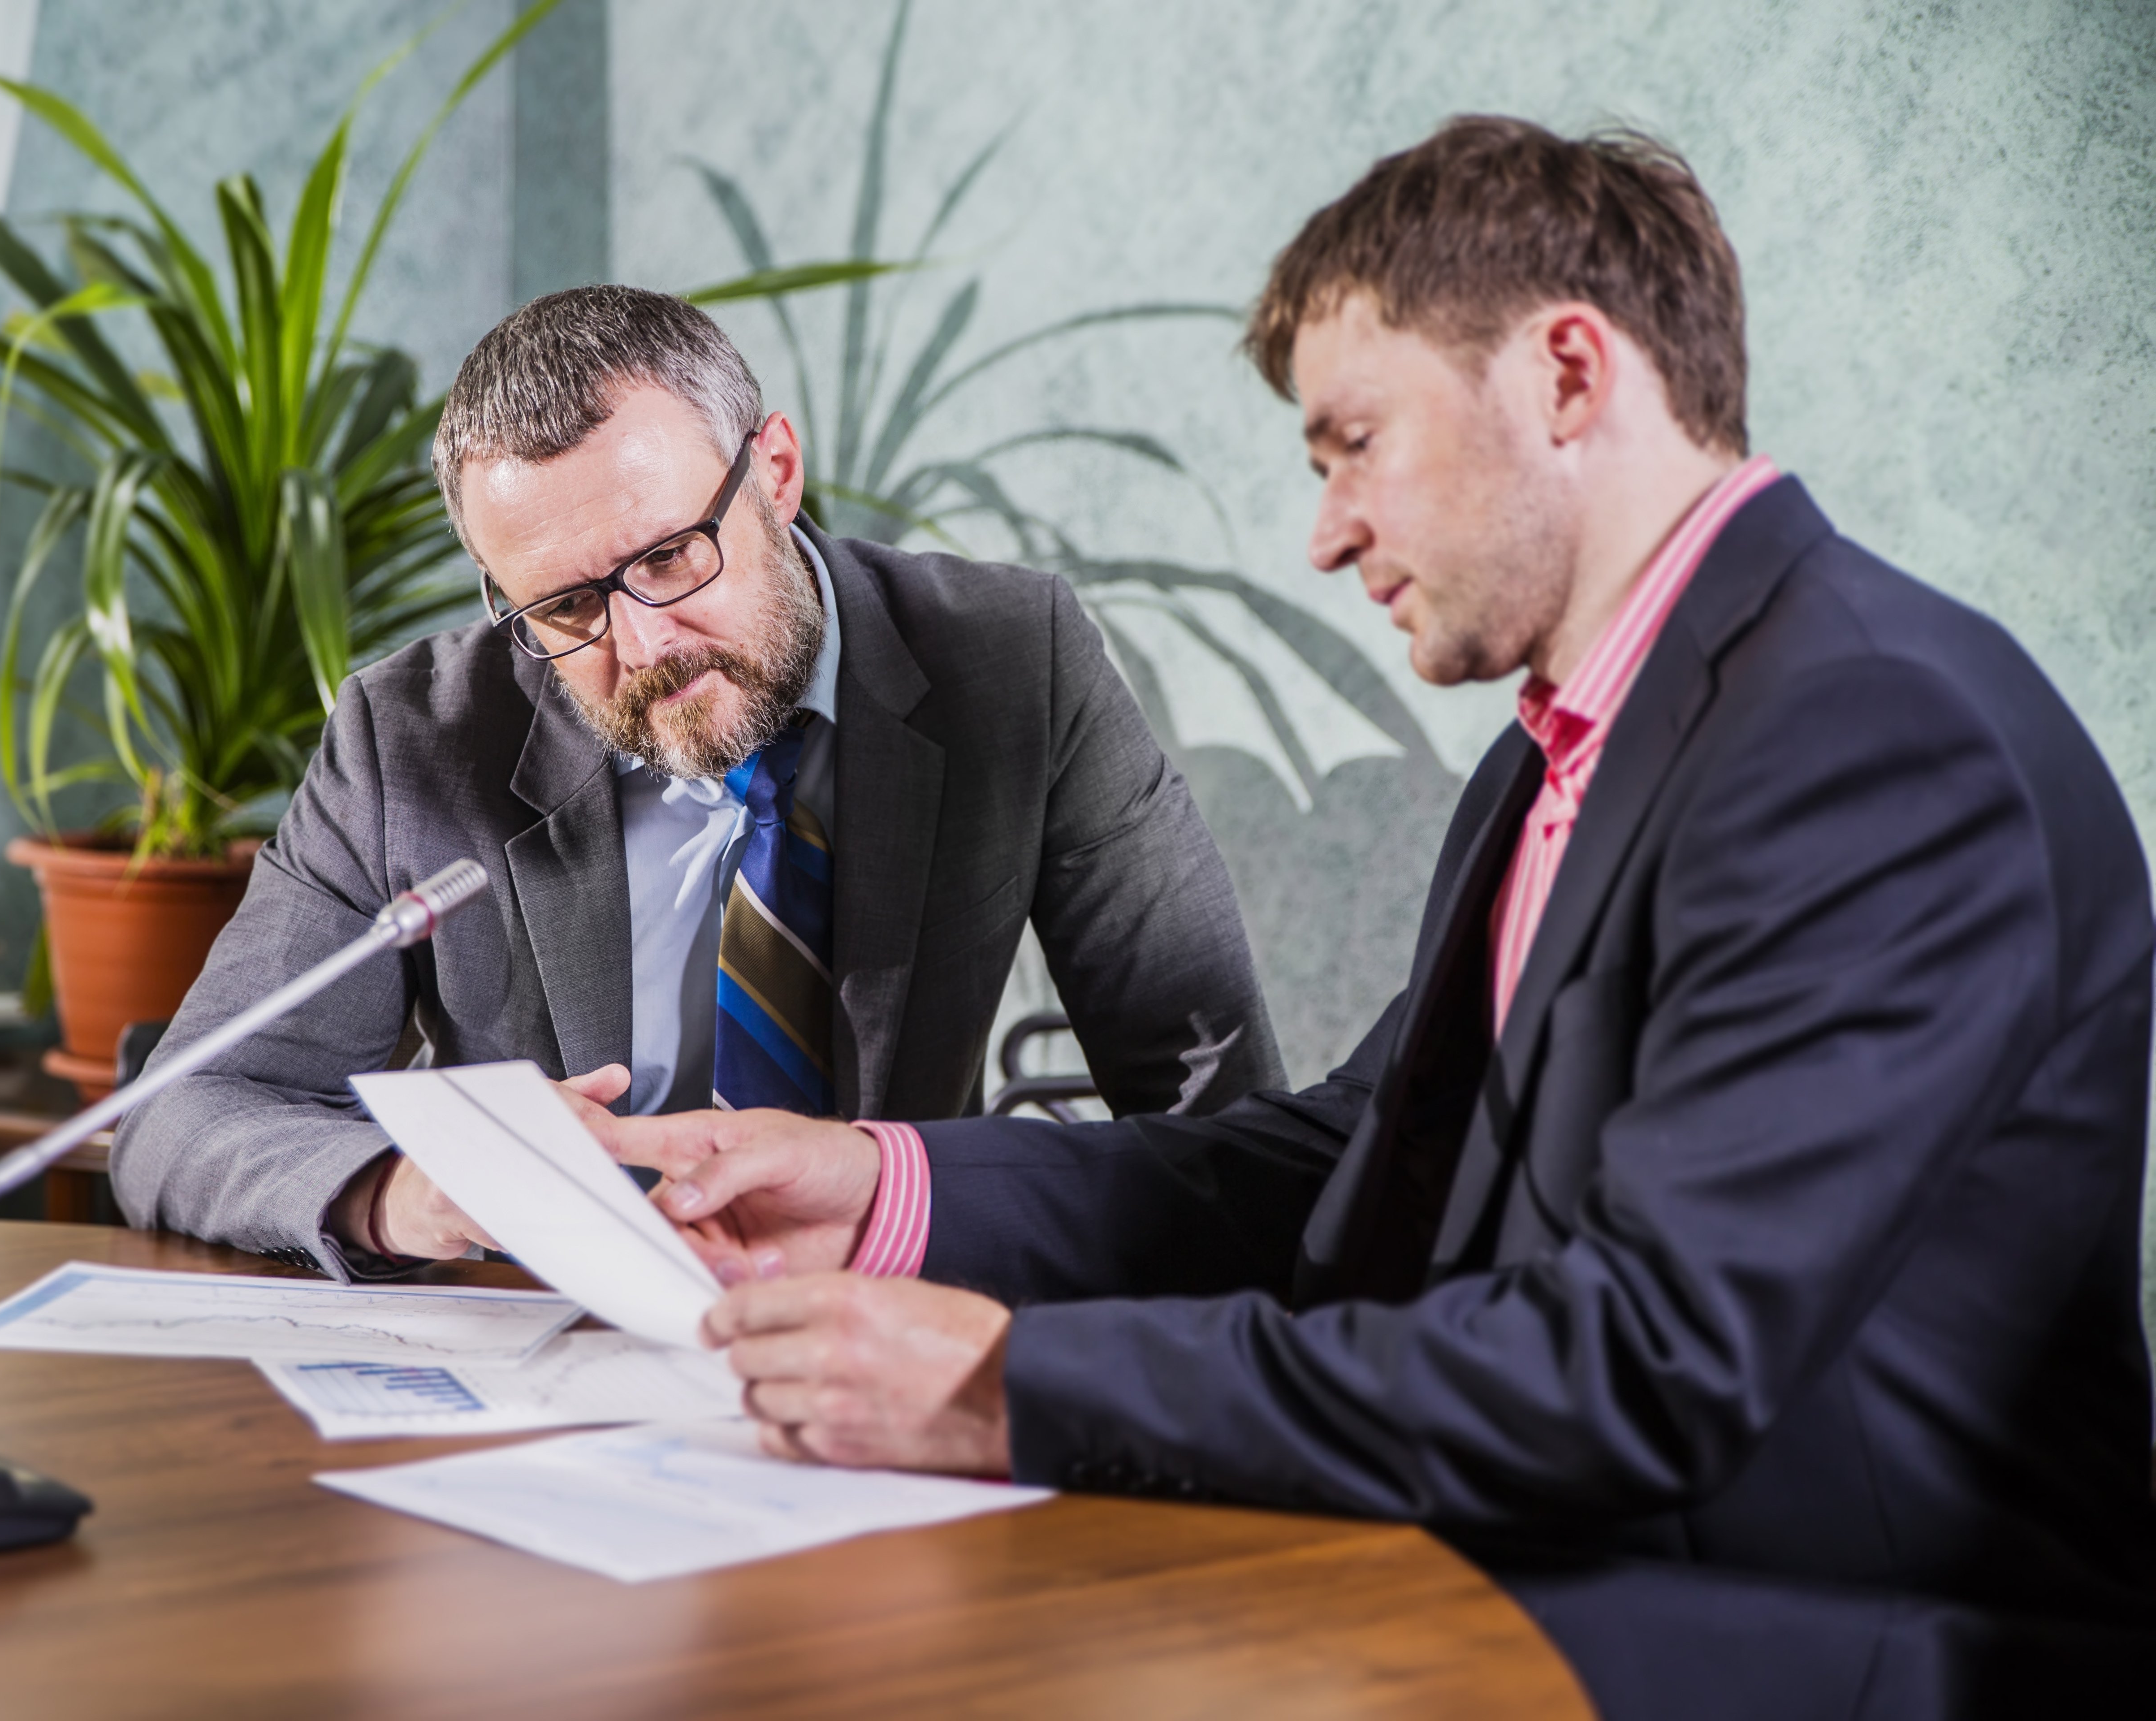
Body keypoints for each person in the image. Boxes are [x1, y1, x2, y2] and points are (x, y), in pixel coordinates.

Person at [605, 120, 2156, 1716]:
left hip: (1837, 1632)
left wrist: (1010, 1385)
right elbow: (1344, 1159)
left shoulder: (1871, 735)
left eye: (1354, 442)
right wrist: (887, 1182)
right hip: (1568, 1551)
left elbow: (1647, 1361)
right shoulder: (1563, 749)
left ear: (1568, 375)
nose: (1327, 532)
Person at [111, 285, 1282, 1280]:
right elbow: (181, 1117)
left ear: (774, 469)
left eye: (671, 555)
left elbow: (1214, 1107)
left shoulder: (1010, 663)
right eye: (566, 605)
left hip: (884, 1318)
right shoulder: (411, 737)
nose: (644, 640)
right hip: (549, 1356)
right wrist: (406, 1193)